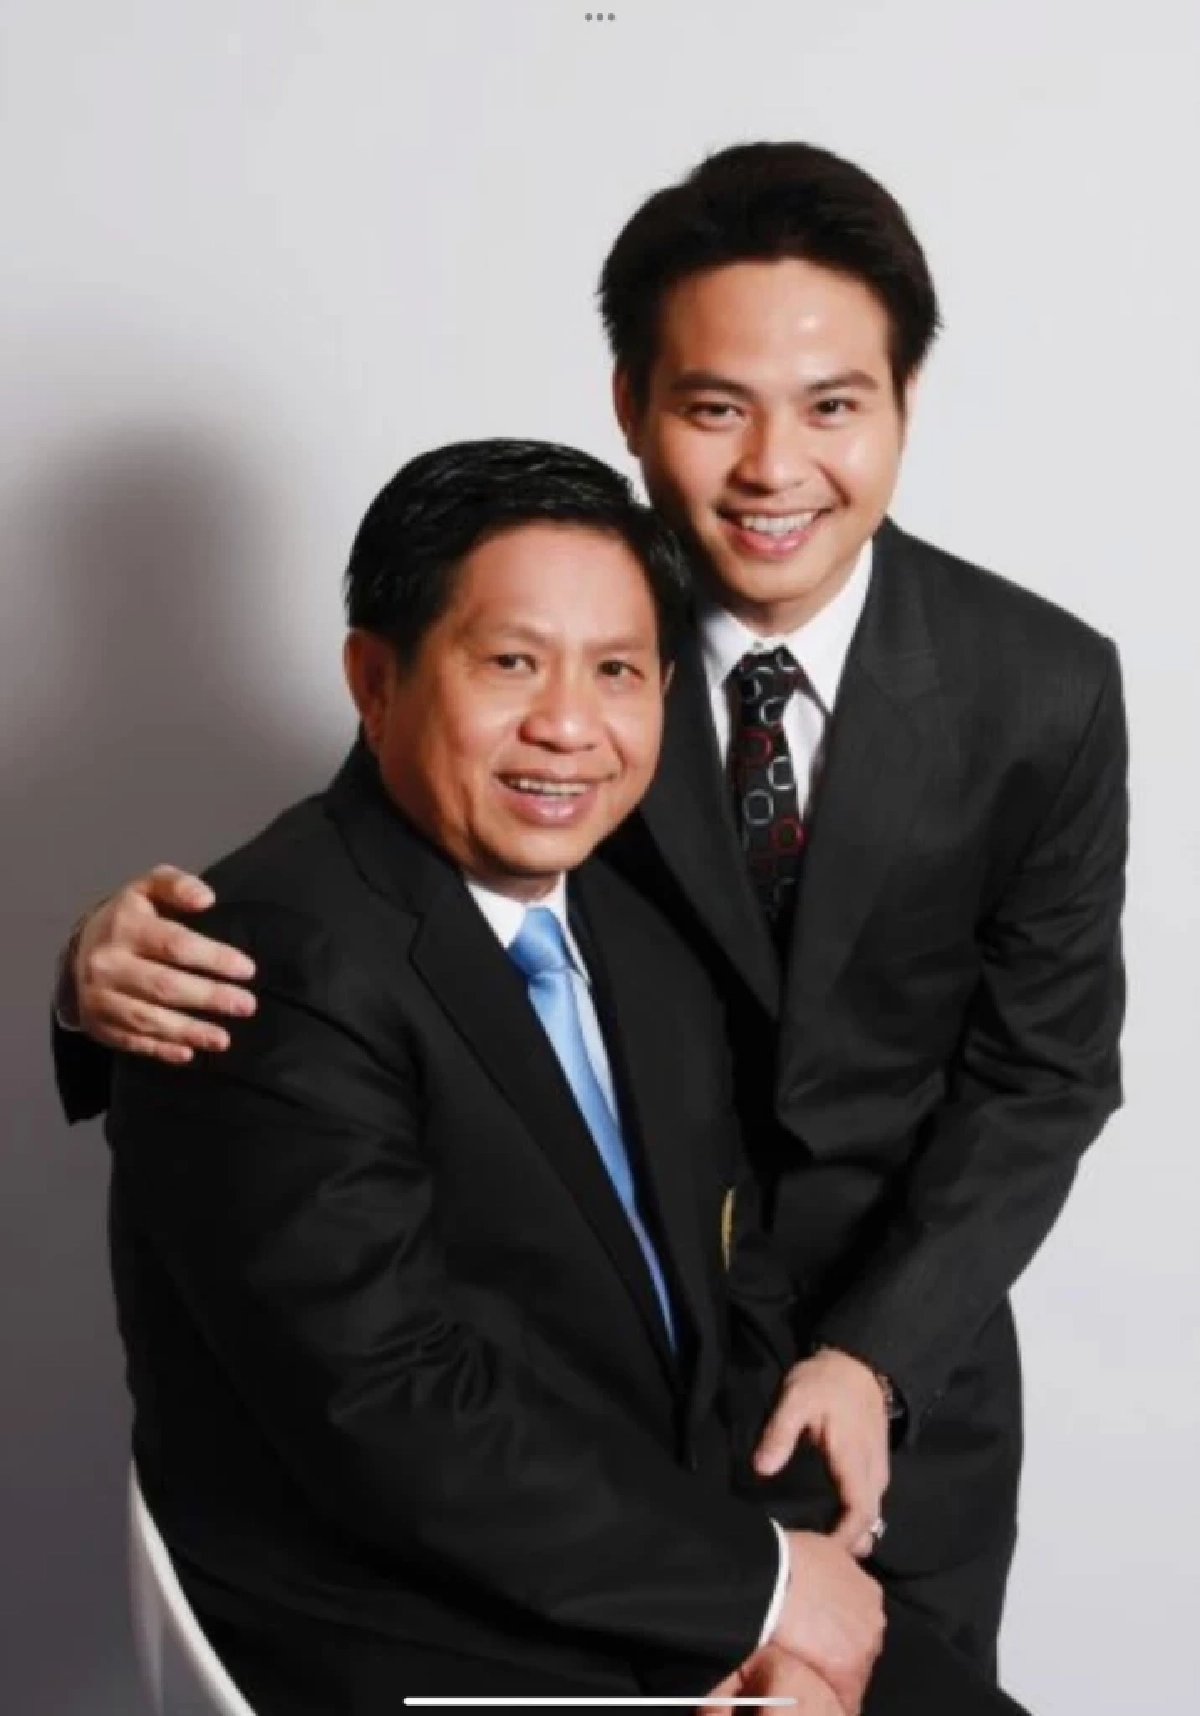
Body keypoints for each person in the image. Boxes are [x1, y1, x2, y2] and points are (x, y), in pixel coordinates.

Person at [54, 142, 1127, 1676]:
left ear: (904, 403)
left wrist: (877, 1357)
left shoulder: (1043, 688)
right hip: (572, 1422)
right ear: (629, 402)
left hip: (898, 1391)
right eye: (715, 406)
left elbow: (1045, 1069)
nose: (774, 469)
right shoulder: (565, 619)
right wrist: (108, 967)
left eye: (832, 406)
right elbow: (361, 893)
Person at [91, 439, 1031, 1716]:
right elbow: (389, 1412)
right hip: (418, 1632)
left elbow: (730, 1287)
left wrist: (780, 1603)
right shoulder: (262, 959)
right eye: (512, 662)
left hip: (643, 1568)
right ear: (375, 679)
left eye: (618, 671)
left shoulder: (634, 934)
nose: (570, 726)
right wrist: (752, 1597)